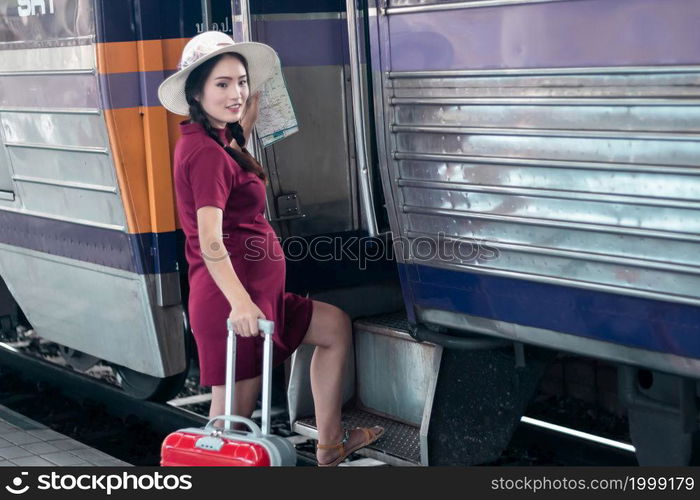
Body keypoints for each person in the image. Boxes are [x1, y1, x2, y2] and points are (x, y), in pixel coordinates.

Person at [157, 31, 383, 466]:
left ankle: (330, 444)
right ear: (196, 92)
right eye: (222, 84)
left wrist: (255, 86)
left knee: (333, 328)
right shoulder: (203, 152)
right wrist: (240, 304)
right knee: (227, 426)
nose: (236, 92)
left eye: (241, 81)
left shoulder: (223, 139)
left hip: (260, 297)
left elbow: (244, 115)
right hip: (233, 301)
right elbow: (209, 241)